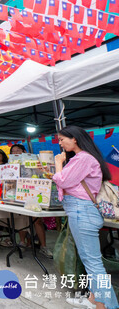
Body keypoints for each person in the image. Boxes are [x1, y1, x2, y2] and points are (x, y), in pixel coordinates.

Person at [52, 126, 119, 309]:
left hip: (82, 211)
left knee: (93, 263)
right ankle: (93, 299)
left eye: (61, 139)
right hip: (82, 211)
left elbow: (63, 181)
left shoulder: (84, 158)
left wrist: (58, 165)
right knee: (90, 261)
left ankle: (106, 305)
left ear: (74, 139)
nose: (60, 143)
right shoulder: (84, 158)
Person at [12, 144, 53, 258]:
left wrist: (37, 168)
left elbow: (42, 174)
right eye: (13, 151)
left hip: (34, 192)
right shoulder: (12, 164)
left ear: (24, 151)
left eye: (18, 150)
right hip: (19, 193)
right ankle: (22, 242)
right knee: (21, 218)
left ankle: (43, 246)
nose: (16, 153)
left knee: (37, 220)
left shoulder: (33, 161)